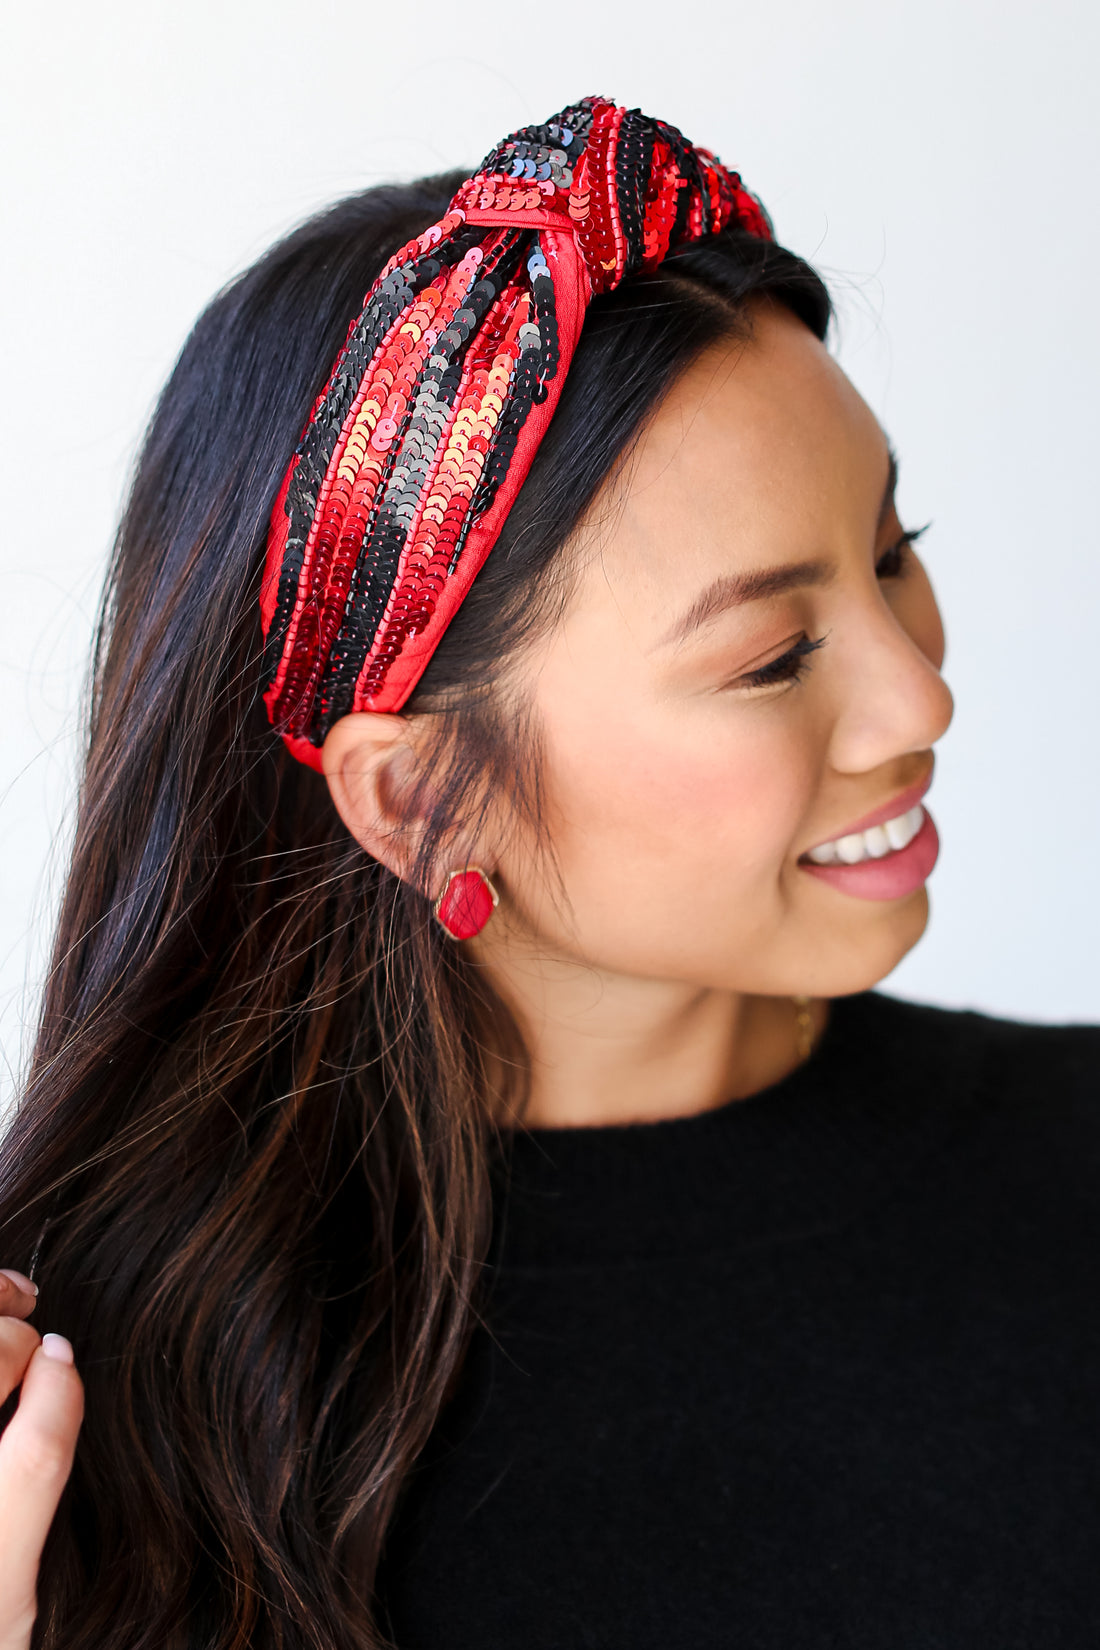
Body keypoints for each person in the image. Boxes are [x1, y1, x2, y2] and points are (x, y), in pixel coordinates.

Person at [0, 94, 1096, 1650]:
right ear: (426, 797)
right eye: (776, 655)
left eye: (892, 549)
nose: (923, 697)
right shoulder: (77, 1415)